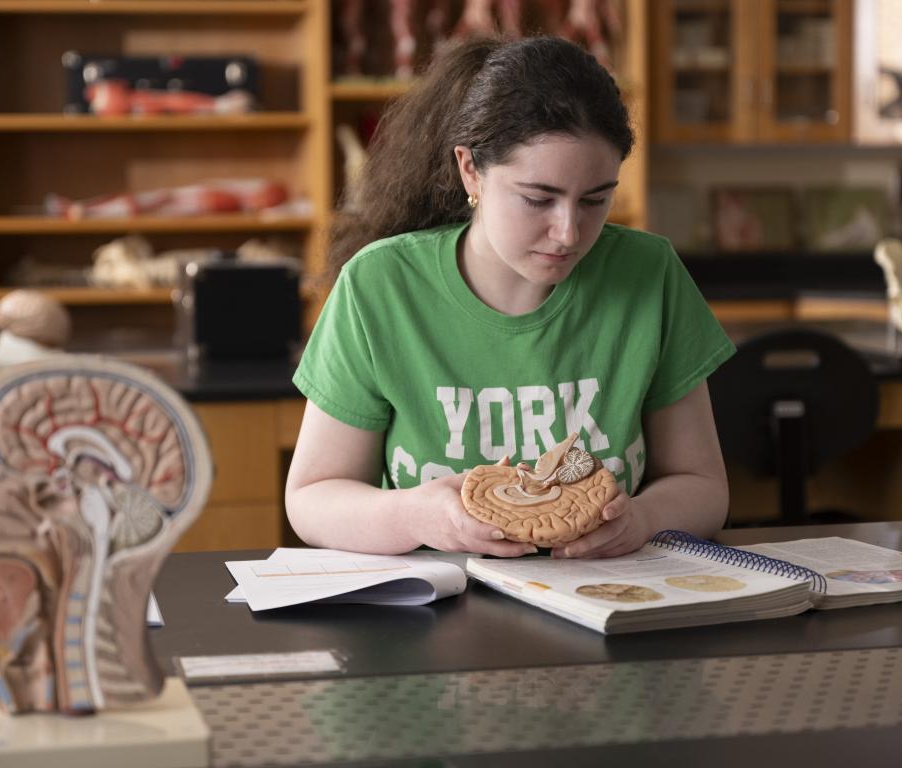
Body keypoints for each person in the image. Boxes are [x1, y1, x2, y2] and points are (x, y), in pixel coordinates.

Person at [286, 36, 734, 559]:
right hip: (438, 612)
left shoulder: (650, 274)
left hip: (613, 603)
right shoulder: (378, 286)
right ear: (471, 170)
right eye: (538, 199)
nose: (568, 232)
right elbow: (312, 499)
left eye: (595, 199)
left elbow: (703, 486)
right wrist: (416, 516)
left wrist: (644, 519)